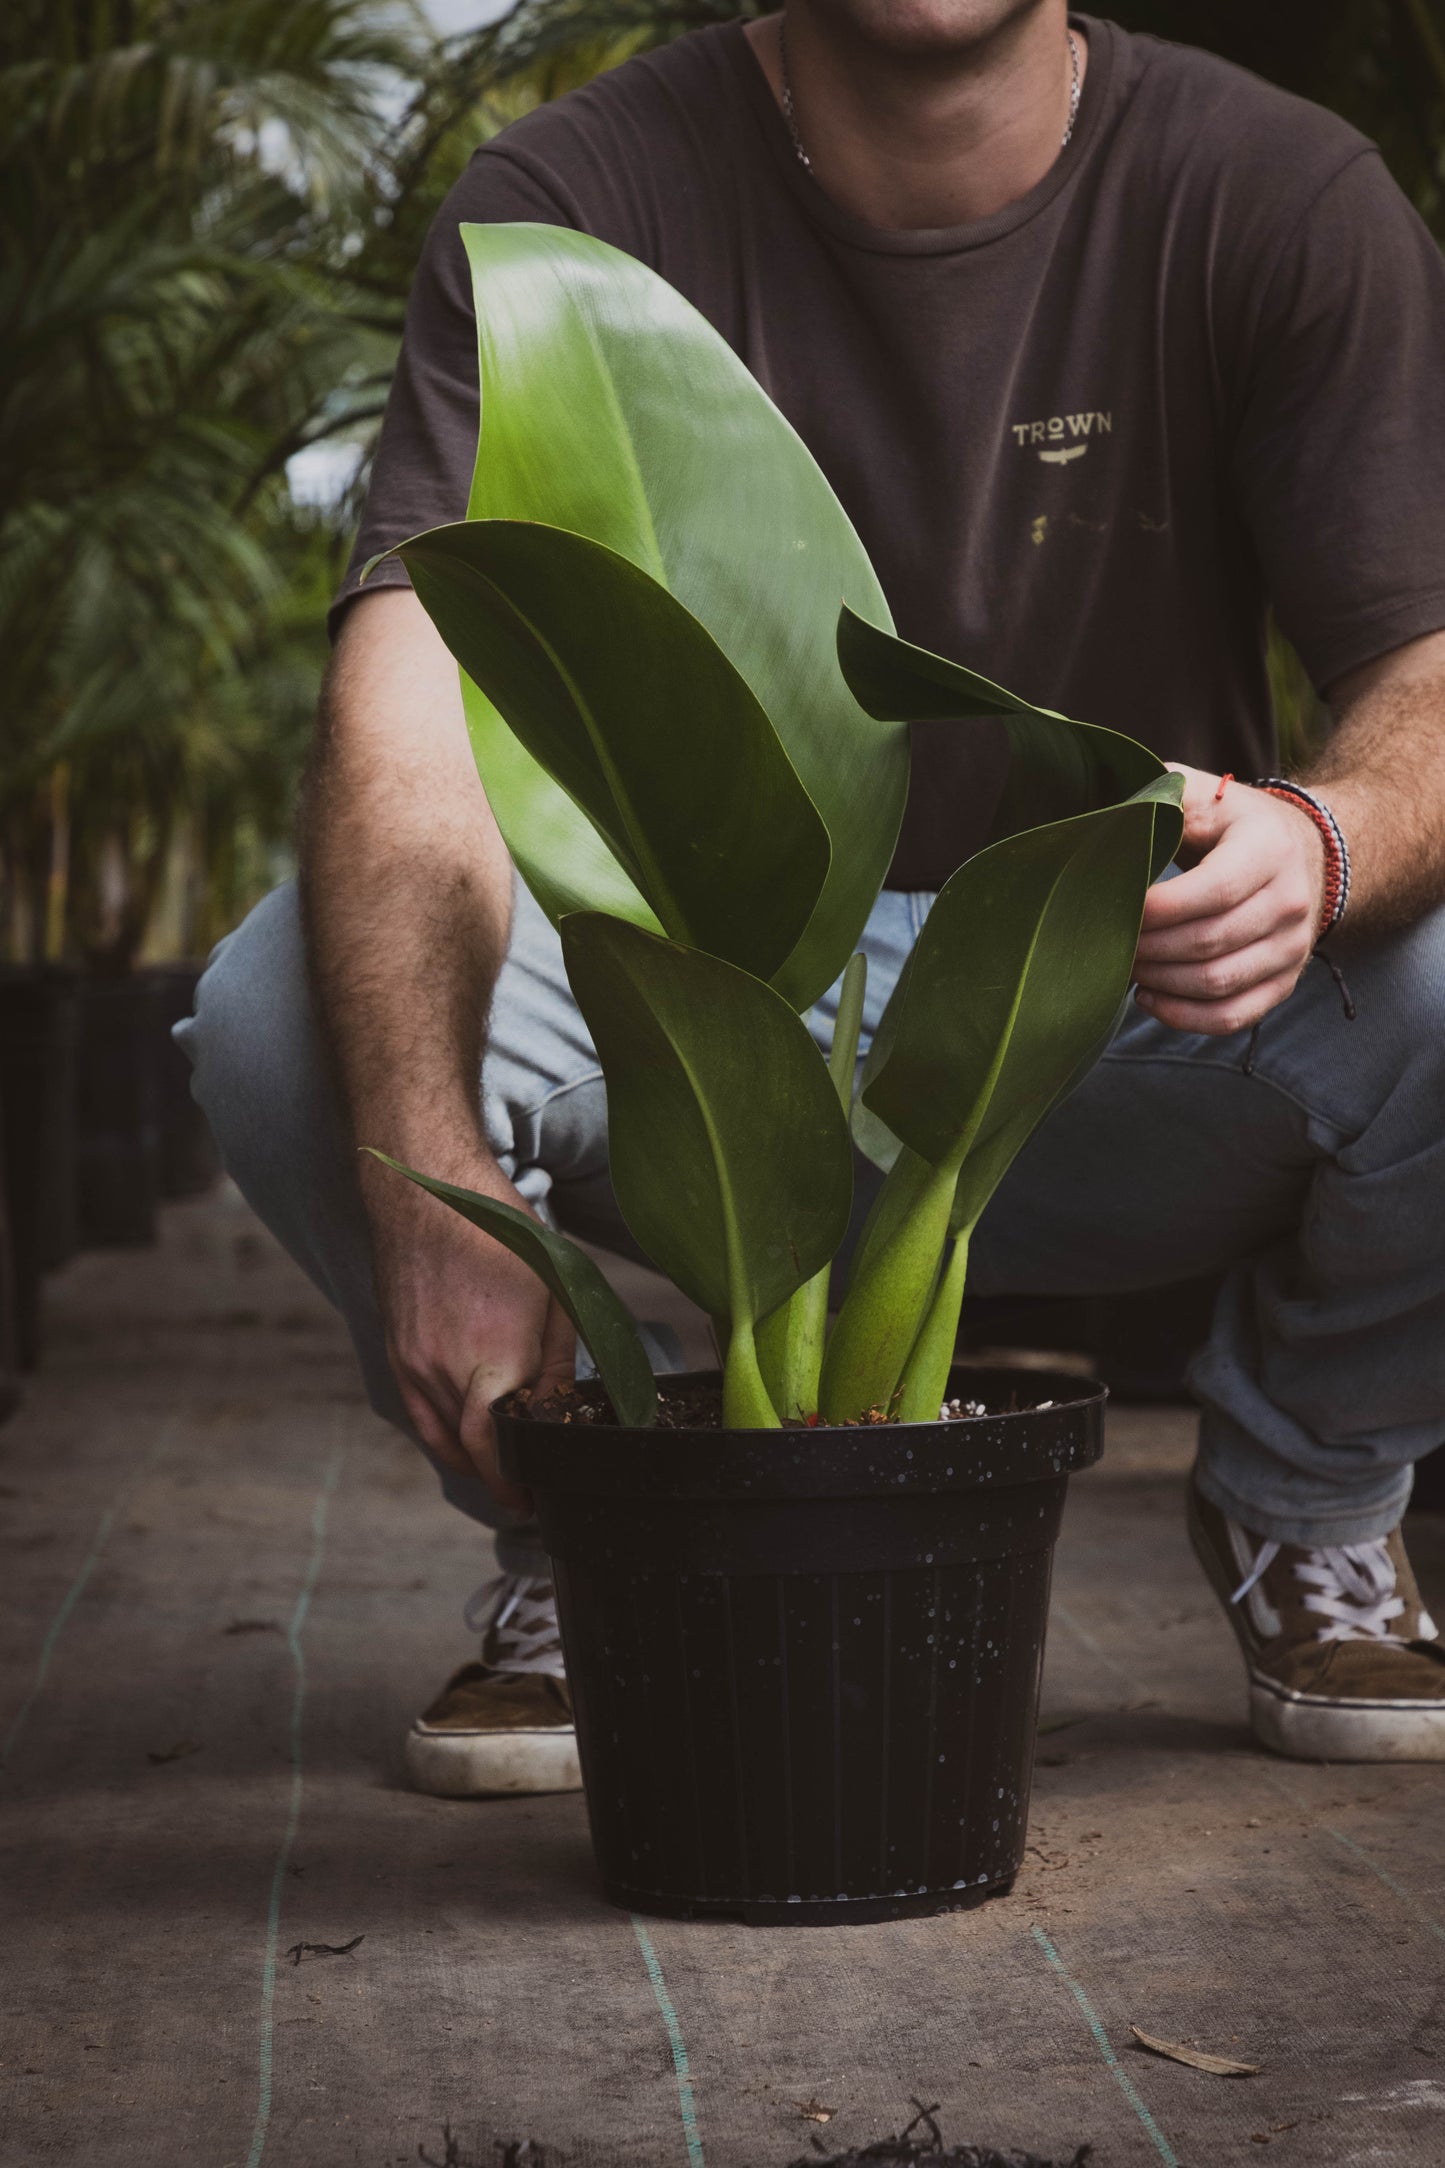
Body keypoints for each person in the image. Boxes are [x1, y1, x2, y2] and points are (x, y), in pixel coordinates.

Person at [180, 1, 1445, 1788]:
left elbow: (1430, 670)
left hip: (1120, 999)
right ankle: (595, 1526)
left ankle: (1306, 1499)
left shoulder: (1279, 191)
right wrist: (434, 1171)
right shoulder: (578, 192)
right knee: (279, 1013)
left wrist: (1319, 840)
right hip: (712, 1003)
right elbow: (412, 693)